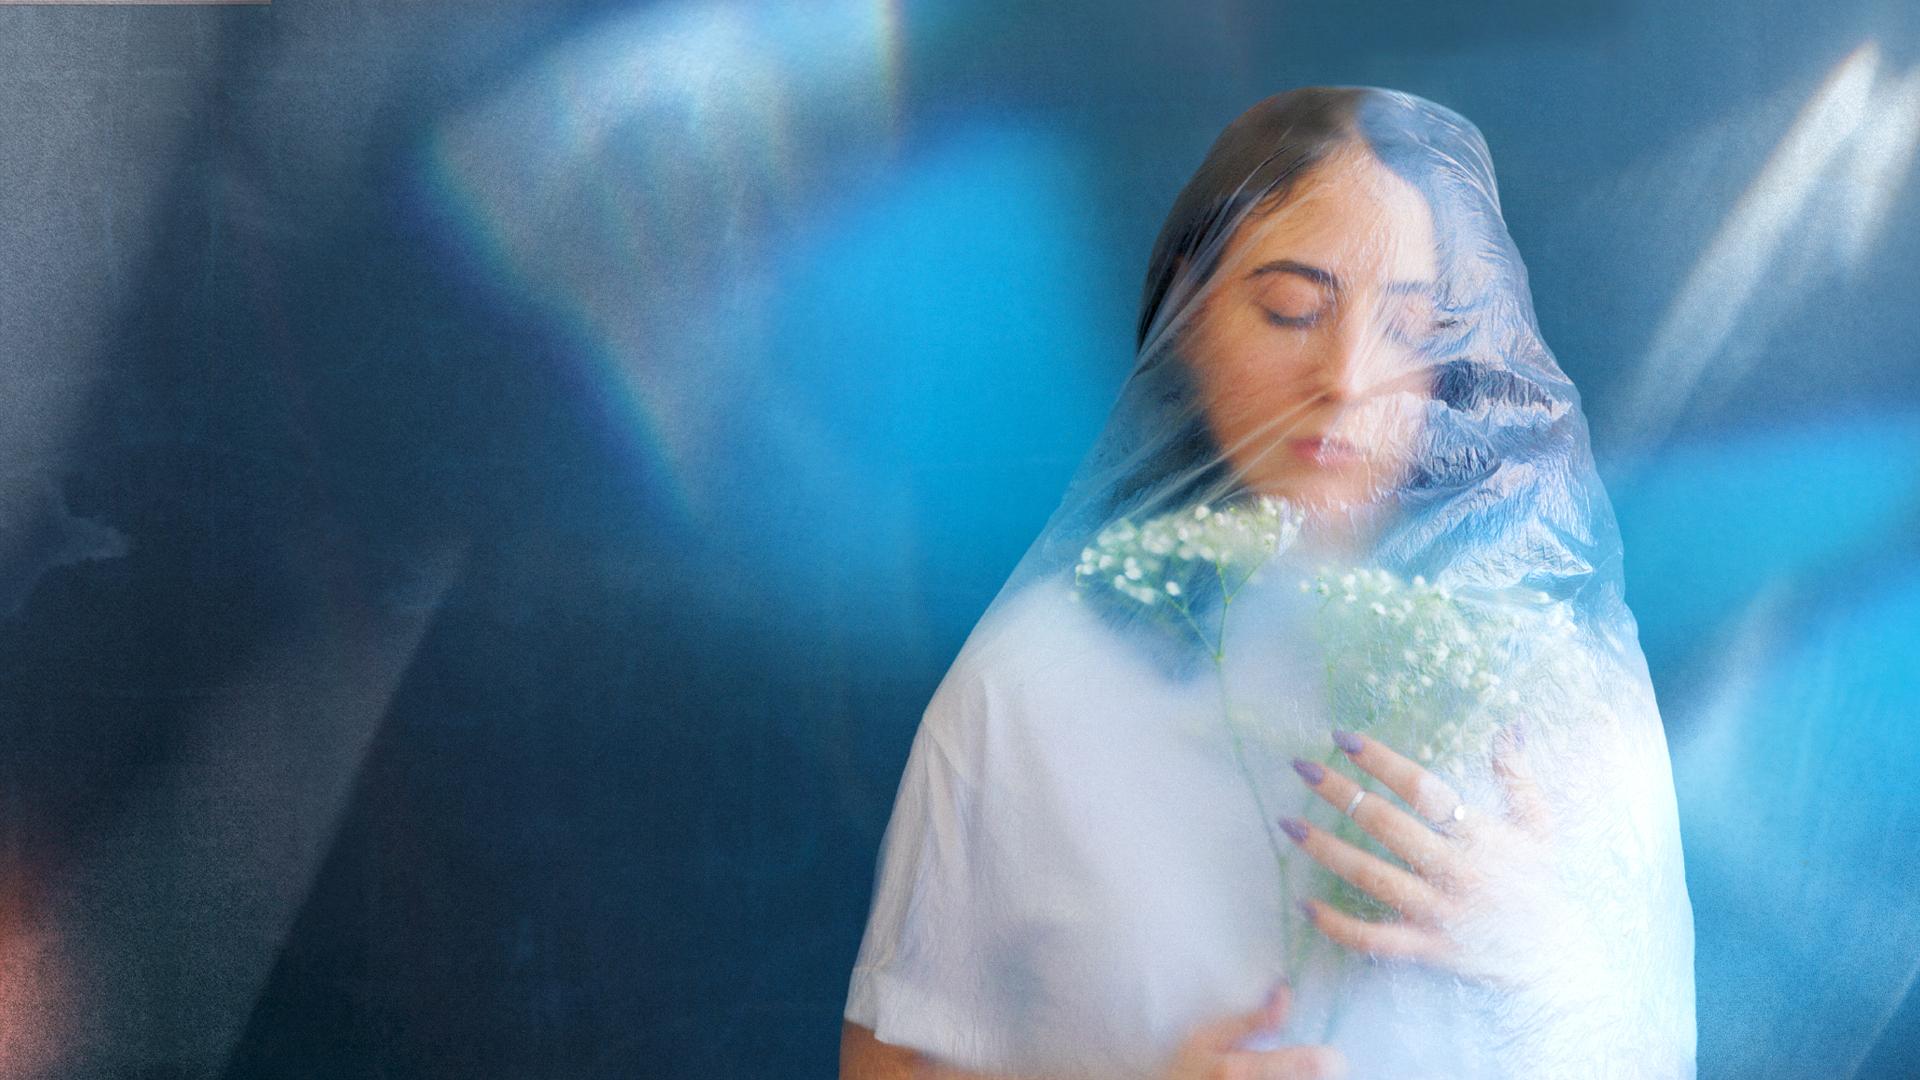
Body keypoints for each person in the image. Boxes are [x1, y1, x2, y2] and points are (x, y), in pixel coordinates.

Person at [841, 86, 1696, 1080]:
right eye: (1294, 308)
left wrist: (1543, 951)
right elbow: (887, 1068)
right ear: (1187, 318)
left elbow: (1658, 1052)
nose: (1347, 377)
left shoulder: (1548, 689)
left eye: (1414, 328)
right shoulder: (1026, 693)